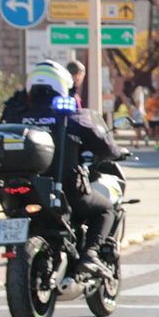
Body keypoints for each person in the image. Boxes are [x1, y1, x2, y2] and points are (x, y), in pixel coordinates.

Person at [19, 62, 123, 278]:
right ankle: (91, 255)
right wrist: (116, 150)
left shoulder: (16, 113)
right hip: (64, 189)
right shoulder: (68, 114)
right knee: (106, 210)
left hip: (22, 189)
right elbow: (105, 146)